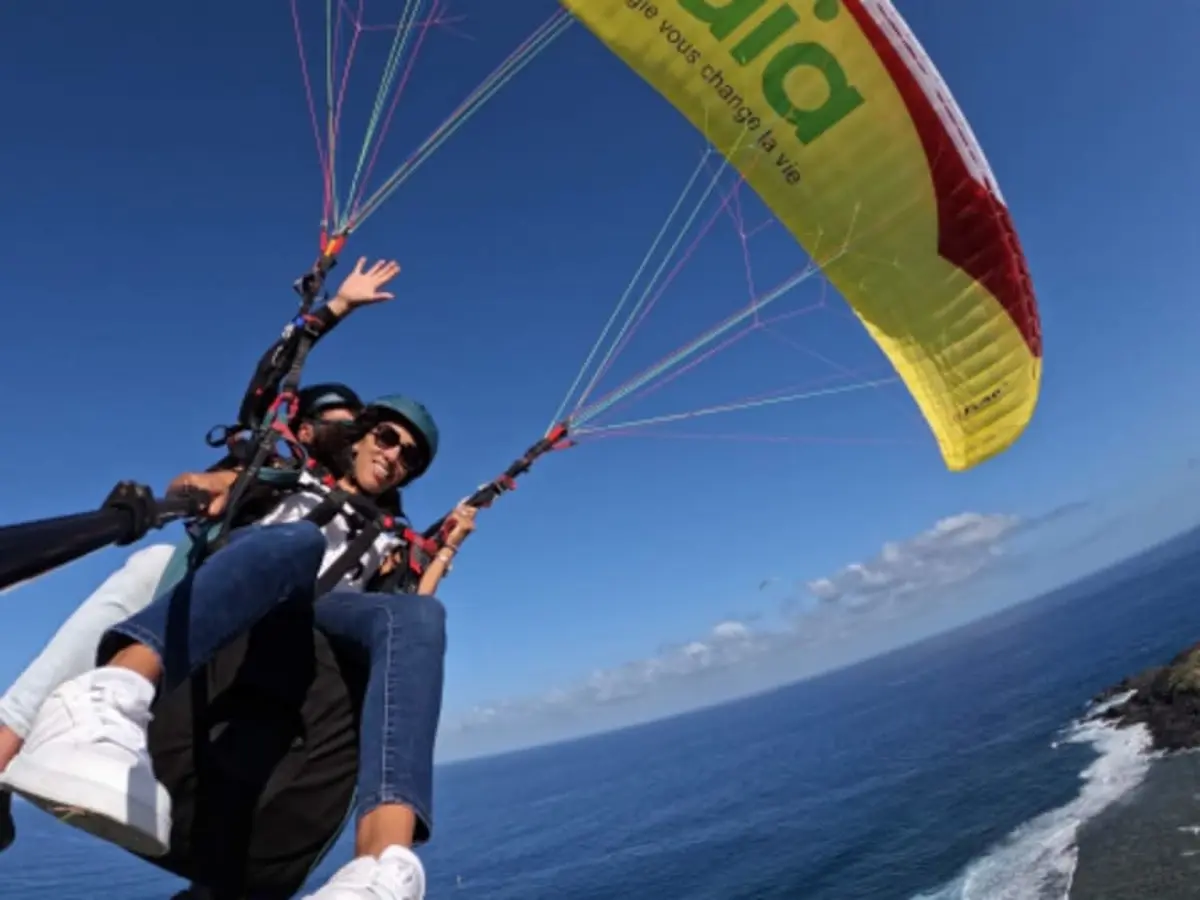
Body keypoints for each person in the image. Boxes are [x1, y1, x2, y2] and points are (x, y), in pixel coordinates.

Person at [0, 254, 401, 853]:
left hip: (295, 633)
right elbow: (256, 408)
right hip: (232, 585)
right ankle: (18, 742)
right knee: (152, 566)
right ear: (311, 428)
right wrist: (334, 309)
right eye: (336, 422)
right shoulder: (276, 470)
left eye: (355, 425)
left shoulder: (381, 522)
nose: (348, 433)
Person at [1, 395, 477, 900]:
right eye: (387, 437)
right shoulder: (288, 477)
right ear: (359, 436)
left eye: (409, 457)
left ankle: (382, 871)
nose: (394, 456)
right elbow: (213, 487)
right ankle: (110, 697)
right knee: (296, 542)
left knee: (424, 615)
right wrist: (204, 488)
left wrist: (445, 550)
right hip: (255, 579)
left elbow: (401, 631)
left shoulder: (390, 542)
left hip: (318, 620)